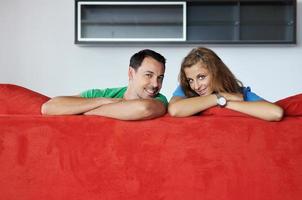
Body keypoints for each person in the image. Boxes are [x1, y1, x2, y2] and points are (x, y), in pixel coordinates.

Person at [41, 49, 168, 120]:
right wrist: (102, 101)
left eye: (160, 78)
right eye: (148, 75)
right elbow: (49, 107)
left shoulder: (159, 100)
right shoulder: (101, 95)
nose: (155, 84)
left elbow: (144, 109)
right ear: (131, 73)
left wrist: (81, 110)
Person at [168, 47, 283, 121]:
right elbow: (175, 110)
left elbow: (275, 113)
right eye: (191, 80)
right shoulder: (186, 89)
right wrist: (220, 98)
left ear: (216, 73)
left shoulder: (239, 92)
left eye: (201, 77)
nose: (196, 86)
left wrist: (225, 103)